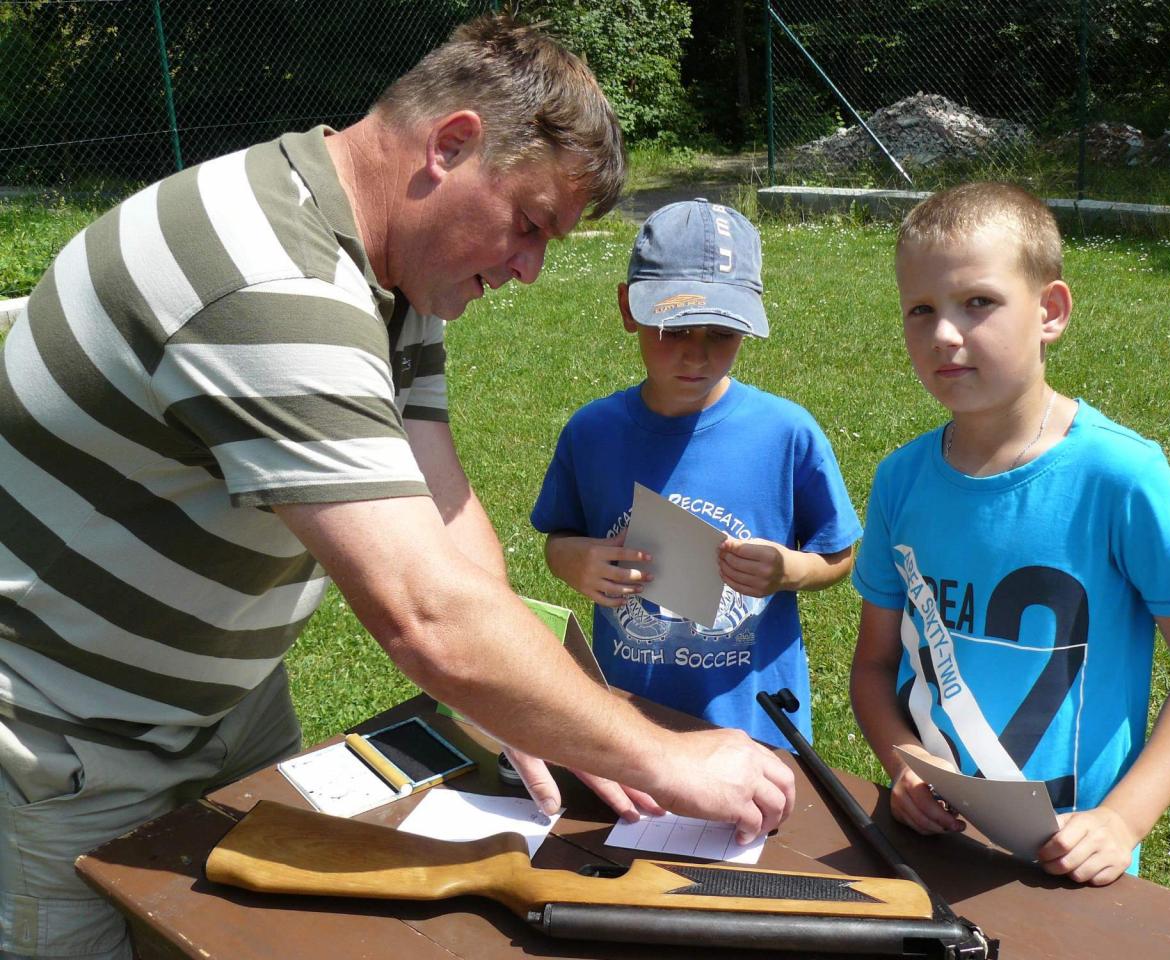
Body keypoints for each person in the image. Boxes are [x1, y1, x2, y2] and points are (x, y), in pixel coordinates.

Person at [0, 17, 794, 960]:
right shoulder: (269, 283)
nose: (528, 269)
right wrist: (657, 752)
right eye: (530, 224)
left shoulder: (387, 265)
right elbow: (425, 615)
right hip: (70, 730)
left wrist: (557, 707)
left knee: (251, 941)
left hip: (226, 701)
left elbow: (447, 517)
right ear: (450, 144)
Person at [849, 181, 1170, 886]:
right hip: (933, 845)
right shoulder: (900, 480)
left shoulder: (1121, 477)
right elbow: (874, 668)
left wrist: (1123, 819)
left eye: (978, 302)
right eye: (921, 309)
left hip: (1074, 860)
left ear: (1050, 312)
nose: (944, 334)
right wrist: (909, 765)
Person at [530, 199, 861, 750]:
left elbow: (839, 557)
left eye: (722, 334)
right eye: (675, 329)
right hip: (629, 721)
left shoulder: (785, 433)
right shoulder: (592, 434)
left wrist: (786, 570)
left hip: (752, 725)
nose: (697, 356)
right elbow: (558, 538)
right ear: (629, 308)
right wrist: (576, 562)